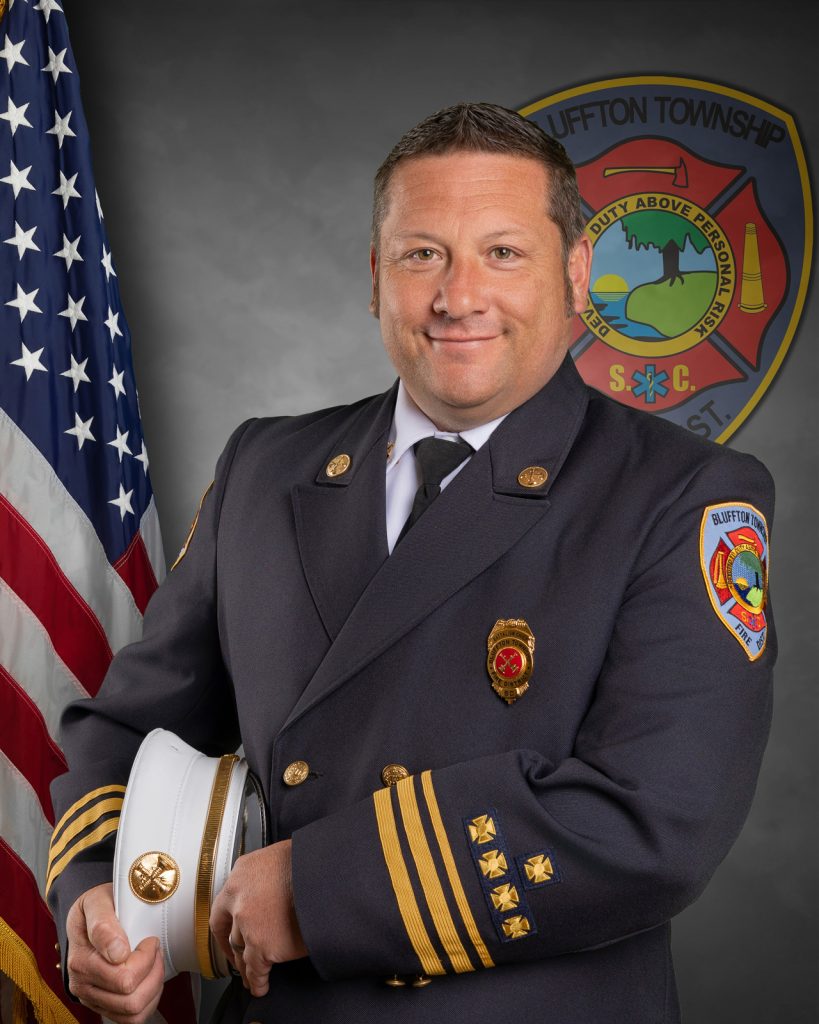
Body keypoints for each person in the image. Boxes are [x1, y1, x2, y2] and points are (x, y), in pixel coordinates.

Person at [47, 103, 775, 1024]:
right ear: (375, 277)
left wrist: (316, 889)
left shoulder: (680, 494)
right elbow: (132, 725)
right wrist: (101, 890)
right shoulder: (266, 467)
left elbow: (657, 819)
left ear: (575, 273)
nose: (457, 296)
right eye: (422, 254)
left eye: (502, 253)